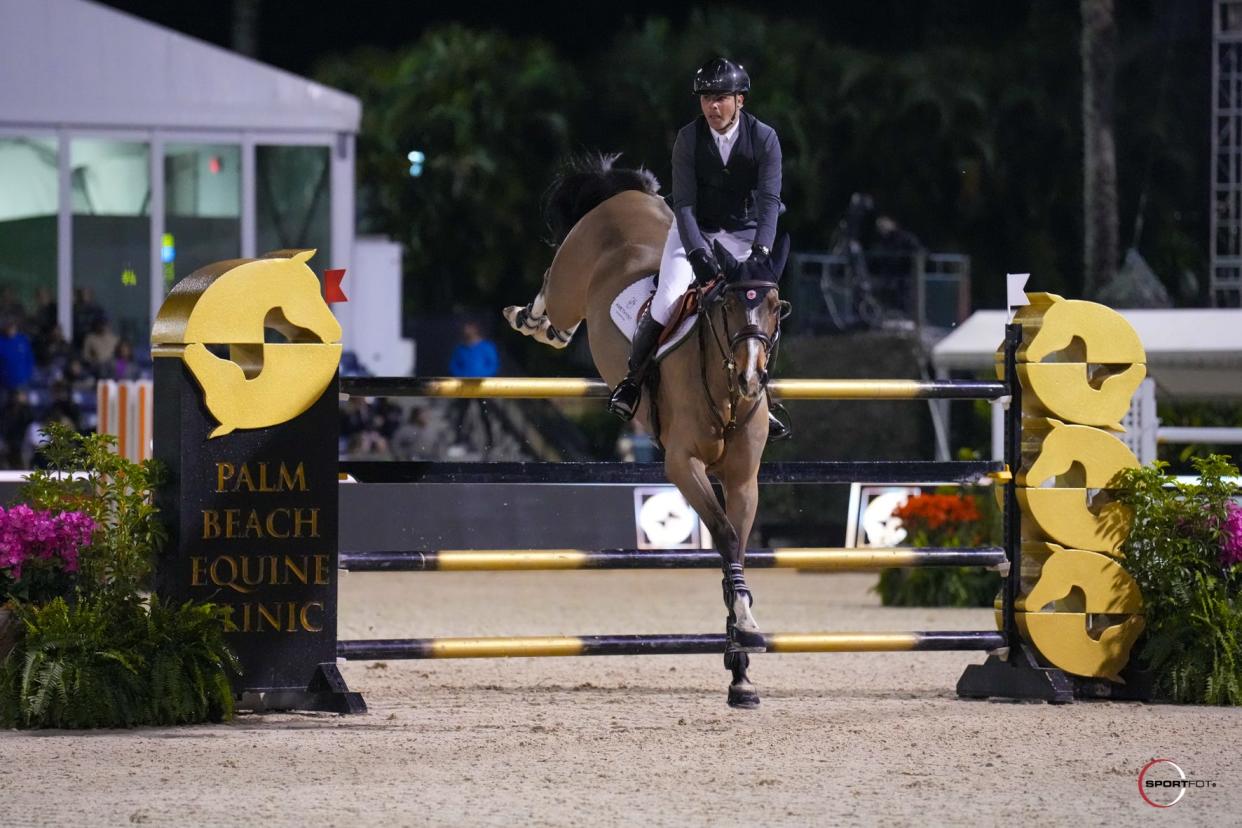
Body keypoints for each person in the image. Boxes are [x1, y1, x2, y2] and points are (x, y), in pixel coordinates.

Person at [607, 57, 789, 439]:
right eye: (706, 98)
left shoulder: (765, 138)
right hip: (696, 230)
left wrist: (760, 252)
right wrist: (697, 255)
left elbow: (770, 200)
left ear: (740, 100)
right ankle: (632, 380)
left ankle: (763, 397)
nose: (712, 106)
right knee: (668, 299)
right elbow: (684, 206)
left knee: (760, 306)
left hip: (745, 232)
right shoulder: (689, 139)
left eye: (721, 97)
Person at [448, 320, 499, 453]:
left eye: (469, 328)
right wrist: (462, 376)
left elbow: (492, 365)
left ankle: (490, 440)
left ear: (475, 329)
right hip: (465, 386)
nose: (466, 331)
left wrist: (481, 376)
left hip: (481, 386)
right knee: (461, 414)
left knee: (485, 413)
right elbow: (454, 365)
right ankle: (458, 440)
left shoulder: (486, 346)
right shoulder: (461, 348)